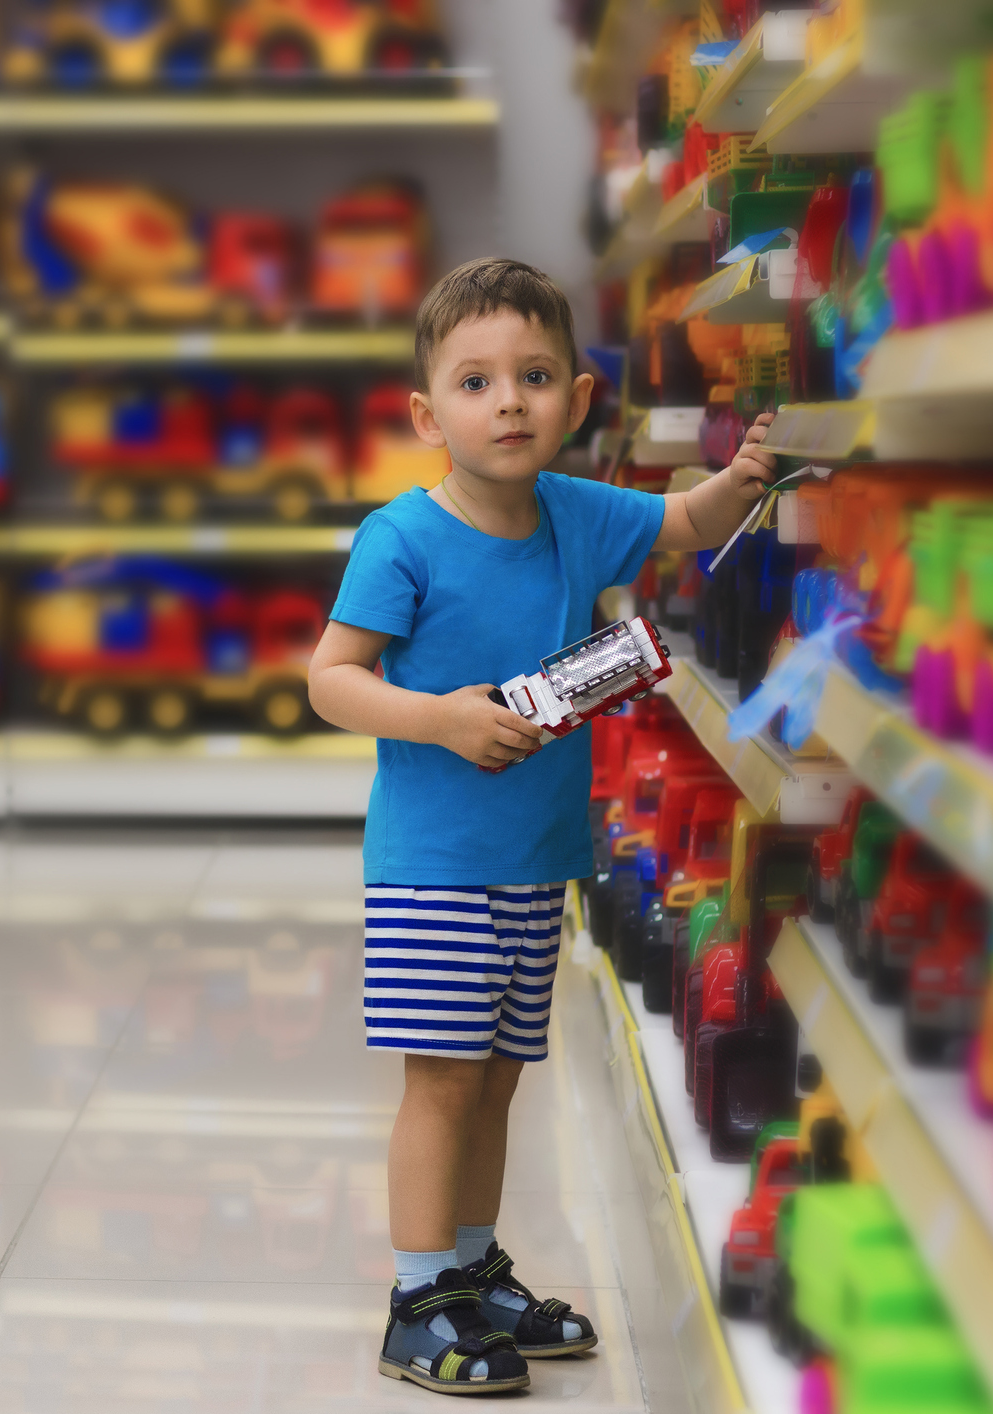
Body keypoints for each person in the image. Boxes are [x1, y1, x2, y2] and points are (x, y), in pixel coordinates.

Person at [306, 256, 779, 1395]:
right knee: (442, 1079)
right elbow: (332, 678)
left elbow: (683, 521)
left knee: (501, 1075)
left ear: (576, 399)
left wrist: (751, 470)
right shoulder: (402, 538)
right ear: (429, 415)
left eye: (533, 375)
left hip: (534, 860)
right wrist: (439, 719)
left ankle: (471, 1268)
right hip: (435, 865)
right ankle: (417, 1298)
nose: (507, 400)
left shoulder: (577, 511)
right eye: (475, 382)